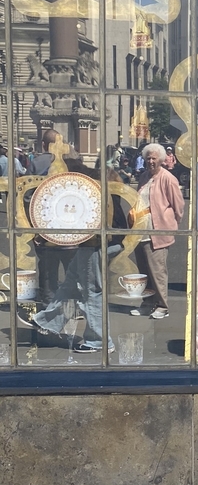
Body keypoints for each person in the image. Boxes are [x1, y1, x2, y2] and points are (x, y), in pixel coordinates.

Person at [19, 168, 127, 353]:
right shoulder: (107, 195)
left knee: (90, 291)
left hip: (94, 245)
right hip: (94, 245)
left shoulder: (98, 196)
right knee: (71, 284)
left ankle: (98, 340)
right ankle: (47, 321)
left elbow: (83, 222)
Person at [130, 143, 185, 319]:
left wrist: (171, 224)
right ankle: (147, 303)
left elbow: (179, 206)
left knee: (157, 271)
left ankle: (162, 306)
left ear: (161, 160)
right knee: (144, 271)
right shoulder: (144, 177)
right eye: (148, 158)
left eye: (154, 158)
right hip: (141, 231)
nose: (151, 161)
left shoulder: (168, 178)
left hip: (158, 231)